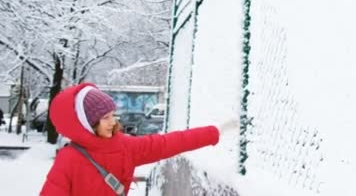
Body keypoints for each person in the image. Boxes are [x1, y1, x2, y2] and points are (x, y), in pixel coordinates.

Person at [40, 83, 237, 195]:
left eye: (112, 115)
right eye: (105, 118)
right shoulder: (69, 159)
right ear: (87, 124)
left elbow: (169, 143)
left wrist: (214, 131)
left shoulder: (125, 146)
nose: (112, 122)